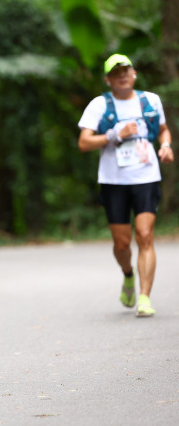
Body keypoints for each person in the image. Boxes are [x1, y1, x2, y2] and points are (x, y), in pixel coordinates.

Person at [78, 53, 174, 317]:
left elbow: (163, 129)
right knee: (122, 244)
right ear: (108, 79)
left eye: (126, 71)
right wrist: (113, 135)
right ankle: (128, 274)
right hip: (114, 181)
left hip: (146, 177)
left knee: (145, 235)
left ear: (134, 74)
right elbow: (84, 142)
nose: (122, 76)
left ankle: (144, 297)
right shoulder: (100, 104)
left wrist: (166, 145)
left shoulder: (150, 100)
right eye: (116, 73)